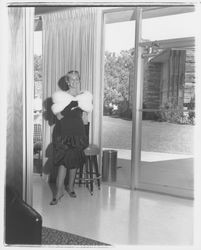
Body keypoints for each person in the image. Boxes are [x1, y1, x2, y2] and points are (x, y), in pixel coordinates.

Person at [50, 70, 93, 205]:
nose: (74, 82)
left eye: (76, 79)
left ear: (79, 80)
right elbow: (58, 116)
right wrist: (68, 110)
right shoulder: (62, 97)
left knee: (73, 162)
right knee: (63, 163)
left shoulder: (84, 98)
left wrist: (84, 133)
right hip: (63, 133)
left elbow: (85, 120)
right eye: (71, 80)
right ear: (67, 82)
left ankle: (70, 188)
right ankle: (58, 192)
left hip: (78, 133)